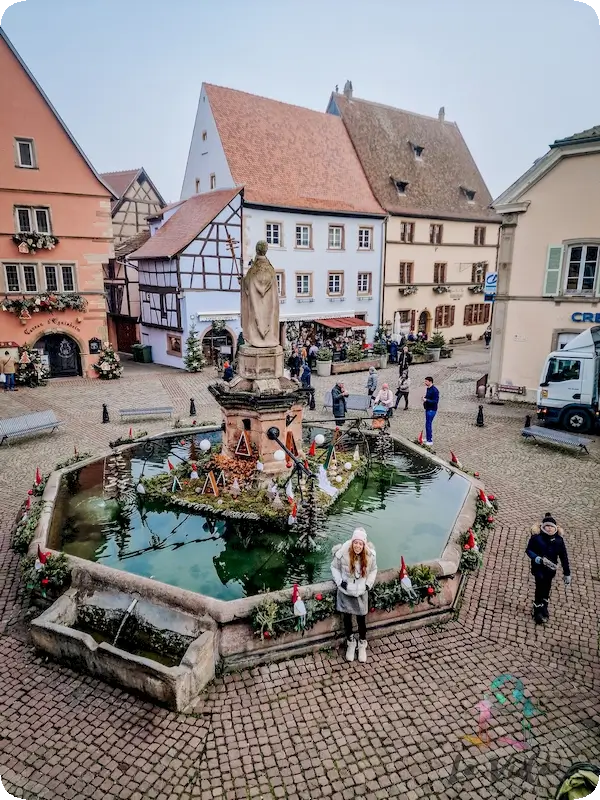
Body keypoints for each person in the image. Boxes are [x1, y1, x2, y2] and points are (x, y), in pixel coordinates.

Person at [331, 527, 377, 663]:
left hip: (361, 592)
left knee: (361, 619)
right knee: (347, 618)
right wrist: (340, 582)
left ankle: (362, 643)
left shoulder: (369, 556)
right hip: (346, 591)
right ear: (352, 542)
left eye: (360, 543)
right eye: (355, 542)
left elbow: (374, 570)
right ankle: (351, 642)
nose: (357, 546)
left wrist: (368, 584)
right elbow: (334, 567)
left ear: (364, 544)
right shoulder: (343, 553)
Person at [526, 513, 571, 625]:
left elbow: (563, 557)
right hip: (538, 568)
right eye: (547, 526)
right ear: (543, 527)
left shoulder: (559, 541)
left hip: (550, 570)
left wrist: (567, 573)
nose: (549, 528)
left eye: (551, 526)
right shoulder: (536, 538)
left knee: (547, 587)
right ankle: (537, 609)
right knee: (539, 586)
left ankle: (544, 606)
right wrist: (537, 558)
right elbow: (529, 550)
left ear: (555, 528)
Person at [422, 376, 439, 445]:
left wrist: (426, 400)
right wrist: (424, 398)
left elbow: (435, 401)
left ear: (430, 381)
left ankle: (430, 440)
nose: (425, 382)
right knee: (427, 424)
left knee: (428, 424)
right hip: (428, 408)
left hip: (432, 410)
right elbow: (428, 396)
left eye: (426, 381)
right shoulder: (428, 389)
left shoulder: (435, 390)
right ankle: (428, 437)